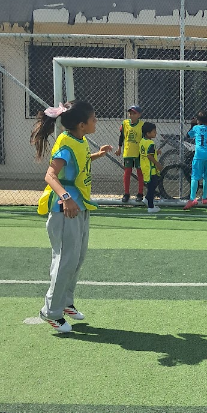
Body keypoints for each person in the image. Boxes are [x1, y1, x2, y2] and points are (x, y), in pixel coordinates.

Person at [33, 100, 113, 335]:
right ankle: (51, 311)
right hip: (64, 210)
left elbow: (79, 163)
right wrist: (66, 198)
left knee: (77, 259)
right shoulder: (66, 145)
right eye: (93, 118)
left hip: (80, 206)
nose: (96, 121)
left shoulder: (79, 140)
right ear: (81, 124)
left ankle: (66, 302)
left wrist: (98, 155)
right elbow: (50, 175)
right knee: (65, 261)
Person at [116, 104, 144, 205]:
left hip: (139, 153)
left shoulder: (142, 125)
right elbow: (122, 136)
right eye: (130, 113)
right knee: (127, 172)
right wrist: (119, 148)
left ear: (139, 115)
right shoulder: (125, 124)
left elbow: (145, 139)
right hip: (128, 152)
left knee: (140, 173)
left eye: (134, 113)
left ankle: (140, 193)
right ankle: (126, 193)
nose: (131, 115)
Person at [139, 121, 161, 214]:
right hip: (151, 168)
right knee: (152, 187)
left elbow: (148, 152)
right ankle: (151, 207)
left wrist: (156, 152)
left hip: (145, 167)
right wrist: (157, 164)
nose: (155, 133)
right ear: (148, 133)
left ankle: (147, 199)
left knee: (152, 185)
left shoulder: (142, 141)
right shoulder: (151, 143)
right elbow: (149, 155)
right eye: (154, 131)